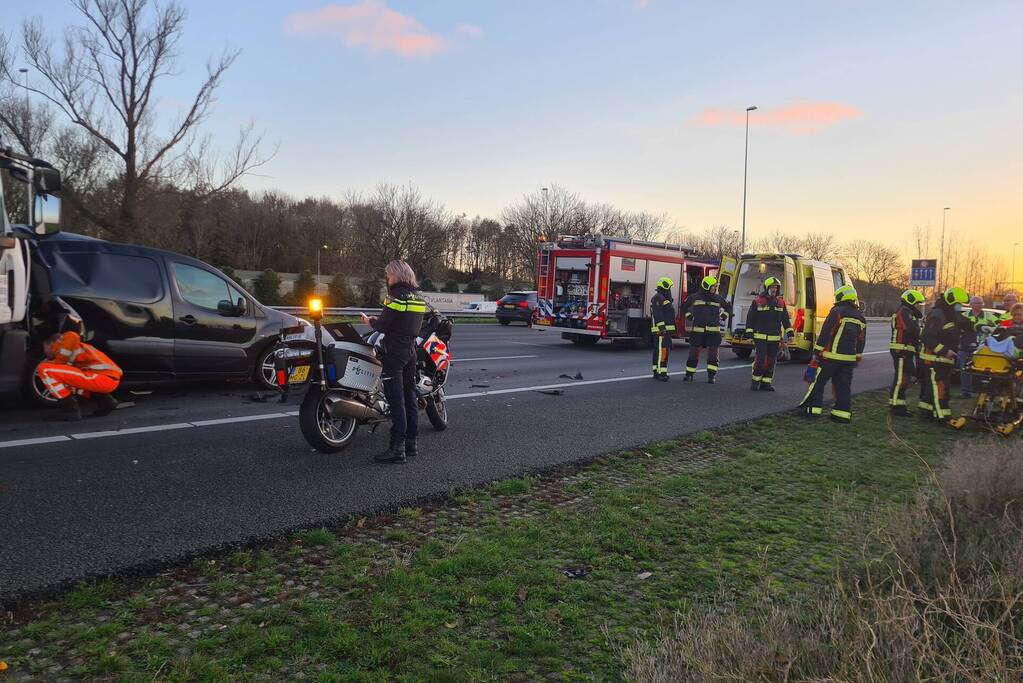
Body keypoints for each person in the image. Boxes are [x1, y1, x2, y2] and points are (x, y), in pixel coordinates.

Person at [360, 260, 427, 464]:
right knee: (409, 397)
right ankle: (411, 444)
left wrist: (370, 320)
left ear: (396, 276)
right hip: (410, 351)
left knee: (396, 400)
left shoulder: (395, 296)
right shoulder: (418, 297)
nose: (388, 279)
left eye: (389, 276)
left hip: (394, 352)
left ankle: (397, 448)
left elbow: (384, 325)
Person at [800, 285, 867, 423]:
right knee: (843, 387)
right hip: (848, 360)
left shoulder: (837, 312)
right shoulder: (860, 317)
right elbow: (861, 340)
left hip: (830, 357)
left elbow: (826, 332)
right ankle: (841, 415)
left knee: (817, 383)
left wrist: (816, 352)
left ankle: (813, 411)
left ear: (842, 297)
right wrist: (858, 356)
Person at [36, 330, 122, 421]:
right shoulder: (72, 350)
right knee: (65, 381)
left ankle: (70, 409)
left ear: (51, 343)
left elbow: (73, 335)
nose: (45, 352)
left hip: (102, 378)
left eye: (44, 348)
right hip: (107, 379)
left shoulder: (62, 345)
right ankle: (106, 401)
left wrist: (58, 361)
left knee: (44, 369)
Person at [918, 286, 970, 424]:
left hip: (943, 360)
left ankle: (926, 413)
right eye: (958, 304)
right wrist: (945, 351)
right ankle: (943, 417)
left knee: (933, 388)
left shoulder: (950, 313)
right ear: (951, 302)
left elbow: (964, 323)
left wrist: (979, 326)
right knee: (940, 388)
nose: (960, 306)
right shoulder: (938, 314)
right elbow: (927, 337)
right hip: (934, 359)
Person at [679, 275, 732, 384]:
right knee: (693, 354)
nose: (715, 288)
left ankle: (711, 376)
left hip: (713, 333)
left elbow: (729, 307)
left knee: (713, 356)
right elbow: (683, 306)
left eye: (715, 286)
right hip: (697, 331)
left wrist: (725, 315)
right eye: (713, 286)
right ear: (707, 286)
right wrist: (689, 315)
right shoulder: (694, 297)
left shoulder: (718, 298)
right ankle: (689, 374)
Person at [745, 276, 794, 391]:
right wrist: (749, 335)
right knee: (760, 360)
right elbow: (750, 319)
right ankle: (755, 382)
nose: (774, 289)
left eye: (776, 288)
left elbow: (785, 320)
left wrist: (790, 334)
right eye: (772, 287)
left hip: (774, 337)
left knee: (771, 361)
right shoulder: (757, 301)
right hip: (760, 336)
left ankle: (766, 383)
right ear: (767, 288)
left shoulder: (780, 303)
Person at [889, 289, 925, 416]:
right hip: (901, 350)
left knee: (905, 378)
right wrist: (924, 334)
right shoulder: (903, 311)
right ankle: (895, 407)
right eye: (916, 303)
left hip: (906, 349)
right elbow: (911, 329)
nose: (917, 306)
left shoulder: (907, 312)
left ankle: (900, 406)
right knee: (900, 379)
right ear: (911, 301)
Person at [959, 296, 1000, 398]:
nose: (980, 305)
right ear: (971, 304)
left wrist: (991, 329)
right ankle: (966, 392)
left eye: (981, 303)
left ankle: (982, 392)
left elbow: (1000, 327)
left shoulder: (989, 316)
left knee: (983, 370)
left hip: (983, 348)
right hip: (965, 346)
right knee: (965, 369)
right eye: (977, 303)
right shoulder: (964, 315)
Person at [650, 277, 677, 382]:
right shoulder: (658, 297)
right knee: (662, 351)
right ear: (665, 287)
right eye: (669, 288)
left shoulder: (661, 298)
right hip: (661, 332)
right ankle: (661, 373)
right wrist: (662, 328)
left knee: (661, 351)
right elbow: (658, 314)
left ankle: (658, 371)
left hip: (664, 331)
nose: (670, 290)